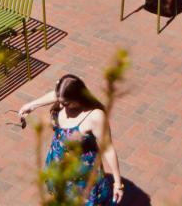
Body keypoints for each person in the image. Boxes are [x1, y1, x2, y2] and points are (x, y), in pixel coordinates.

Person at [18, 75, 125, 205]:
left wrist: (118, 183)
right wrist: (32, 105)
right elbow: (57, 95)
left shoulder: (94, 116)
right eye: (60, 100)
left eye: (65, 103)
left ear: (77, 98)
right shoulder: (64, 97)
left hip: (81, 174)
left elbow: (108, 148)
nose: (62, 106)